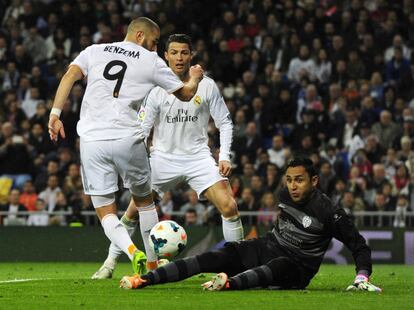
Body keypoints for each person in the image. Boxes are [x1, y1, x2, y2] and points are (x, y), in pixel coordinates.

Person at [48, 17, 204, 276]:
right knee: (144, 203)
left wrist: (55, 113)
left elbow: (69, 76)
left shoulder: (94, 51)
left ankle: (132, 251)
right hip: (127, 139)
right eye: (154, 43)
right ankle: (153, 265)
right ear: (141, 36)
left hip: (92, 140)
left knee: (105, 210)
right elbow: (186, 94)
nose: (155, 49)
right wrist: (196, 77)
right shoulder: (151, 60)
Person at [92, 34, 243, 279]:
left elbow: (224, 122)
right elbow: (142, 130)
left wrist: (224, 156)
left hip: (197, 158)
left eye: (184, 52)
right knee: (132, 210)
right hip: (162, 159)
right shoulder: (155, 88)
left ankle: (238, 266)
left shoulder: (206, 85)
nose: (179, 58)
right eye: (174, 53)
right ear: (166, 56)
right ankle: (109, 263)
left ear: (191, 54)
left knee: (229, 205)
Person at [119, 156, 382, 293]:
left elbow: (359, 246)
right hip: (269, 245)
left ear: (314, 181)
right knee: (221, 254)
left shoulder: (329, 212)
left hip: (297, 267)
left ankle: (230, 283)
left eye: (299, 180)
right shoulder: (283, 195)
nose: (292, 186)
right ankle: (145, 279)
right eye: (289, 179)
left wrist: (362, 277)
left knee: (275, 267)